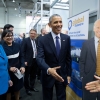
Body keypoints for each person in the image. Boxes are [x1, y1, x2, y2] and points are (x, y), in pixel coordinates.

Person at [36, 14, 72, 100]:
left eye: (60, 22)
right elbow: (39, 58)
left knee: (62, 97)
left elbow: (68, 58)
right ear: (49, 25)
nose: (59, 24)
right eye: (56, 22)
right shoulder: (42, 39)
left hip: (62, 75)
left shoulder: (66, 38)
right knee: (47, 97)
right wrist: (49, 69)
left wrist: (69, 75)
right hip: (48, 75)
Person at [79, 19, 100, 100]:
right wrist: (83, 76)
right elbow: (82, 61)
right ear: (94, 29)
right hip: (89, 78)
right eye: (98, 27)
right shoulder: (86, 44)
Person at [1, 30, 25, 100]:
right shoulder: (2, 48)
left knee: (17, 88)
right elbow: (2, 62)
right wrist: (9, 68)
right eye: (7, 36)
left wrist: (23, 66)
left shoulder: (17, 45)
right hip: (7, 72)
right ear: (3, 38)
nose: (10, 37)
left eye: (11, 35)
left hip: (17, 71)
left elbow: (21, 57)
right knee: (8, 90)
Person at [21, 29, 39, 96]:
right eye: (31, 33)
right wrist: (24, 61)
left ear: (36, 34)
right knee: (26, 76)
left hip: (35, 60)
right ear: (29, 33)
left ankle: (32, 87)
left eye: (34, 33)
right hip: (27, 61)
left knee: (33, 75)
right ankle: (27, 89)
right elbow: (22, 51)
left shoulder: (37, 41)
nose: (33, 35)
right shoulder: (25, 40)